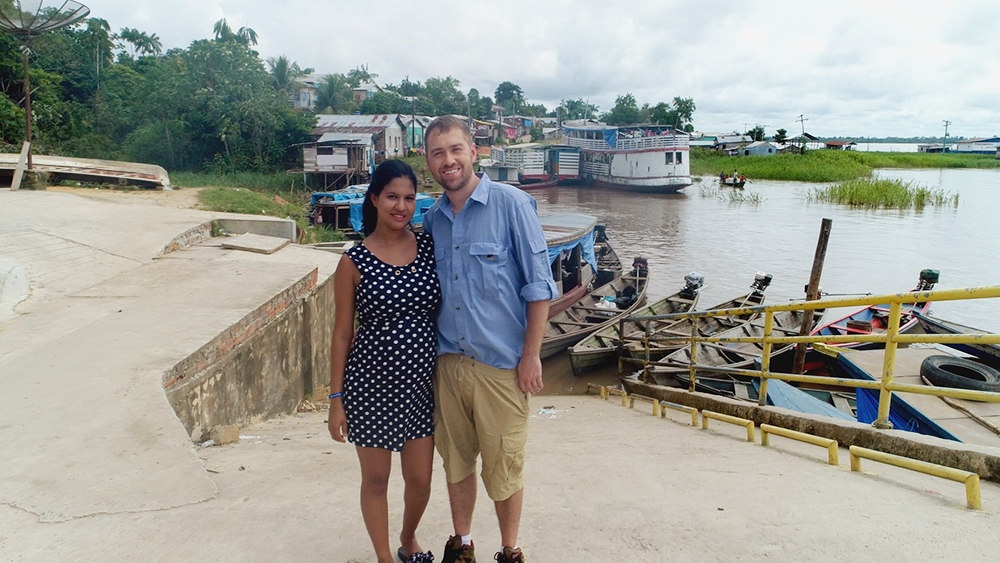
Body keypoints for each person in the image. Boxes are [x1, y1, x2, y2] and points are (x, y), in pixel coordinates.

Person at [422, 115, 557, 563]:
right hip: (449, 365)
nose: (449, 160)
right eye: (438, 153)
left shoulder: (512, 204)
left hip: (500, 366)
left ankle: (510, 550)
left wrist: (531, 356)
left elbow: (539, 287)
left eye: (456, 149)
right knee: (456, 462)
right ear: (428, 160)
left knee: (504, 469)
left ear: (474, 152)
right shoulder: (433, 219)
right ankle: (462, 544)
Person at [328, 159, 441, 563]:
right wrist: (335, 399)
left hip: (420, 389)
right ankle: (384, 558)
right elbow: (342, 332)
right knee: (376, 479)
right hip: (369, 387)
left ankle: (408, 537)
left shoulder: (429, 247)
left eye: (409, 198)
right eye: (392, 196)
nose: (401, 206)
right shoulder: (353, 261)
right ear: (374, 198)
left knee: (421, 479)